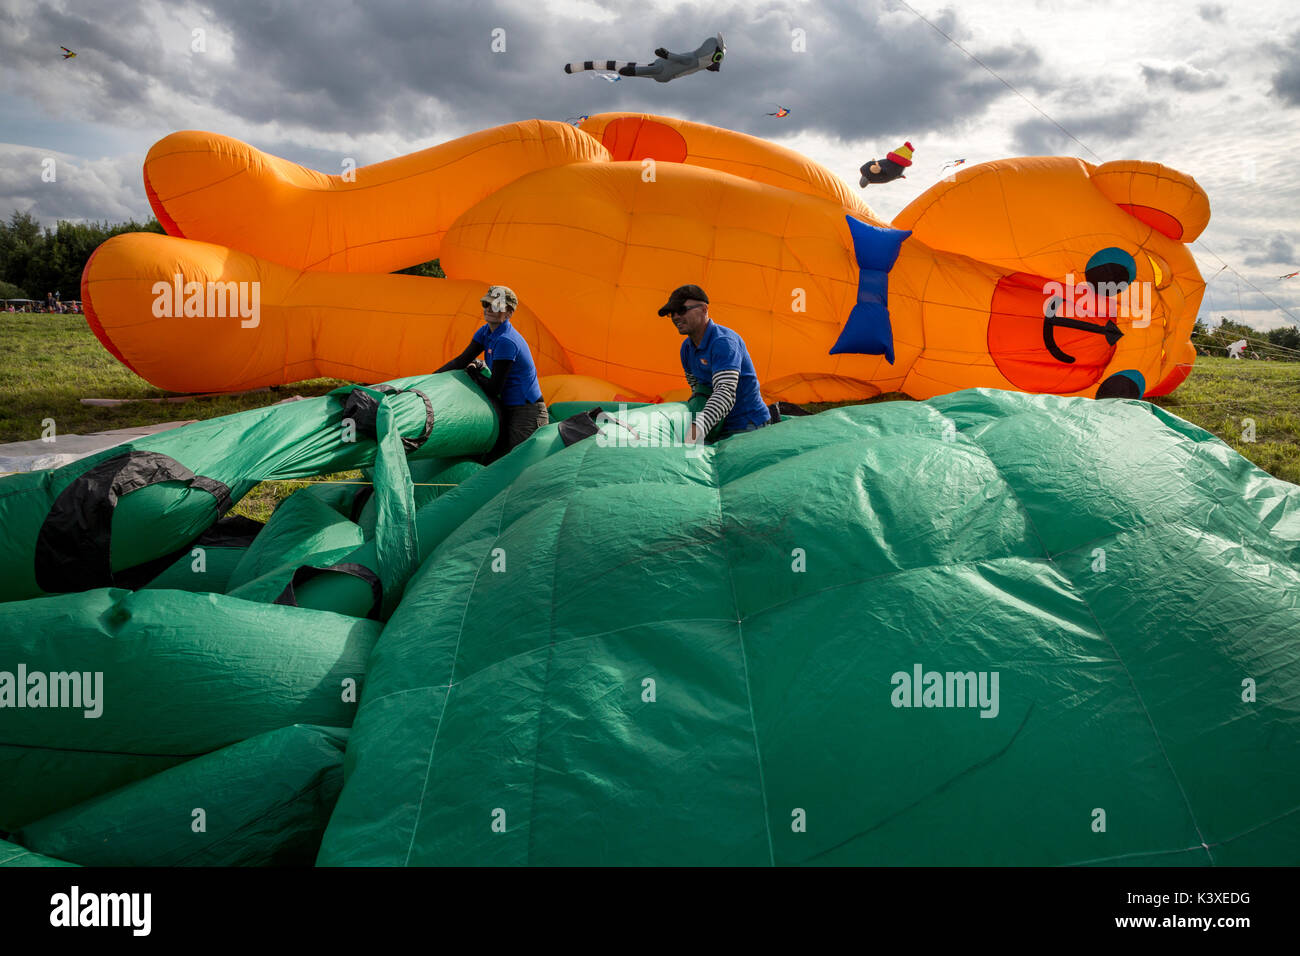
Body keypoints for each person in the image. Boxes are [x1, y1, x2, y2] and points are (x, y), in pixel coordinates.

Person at [436, 285, 548, 453]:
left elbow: (494, 388)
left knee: (515, 465)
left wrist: (474, 373)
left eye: (495, 305)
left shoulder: (506, 341)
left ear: (509, 312)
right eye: (485, 304)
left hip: (526, 413)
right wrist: (432, 378)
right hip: (506, 407)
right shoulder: (485, 332)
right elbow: (461, 361)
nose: (488, 309)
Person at [658, 284, 770, 444]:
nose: (675, 317)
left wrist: (698, 428)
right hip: (717, 425)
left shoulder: (723, 342)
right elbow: (697, 389)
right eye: (671, 313)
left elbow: (725, 393)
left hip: (746, 424)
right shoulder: (686, 348)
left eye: (681, 310)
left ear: (704, 309)